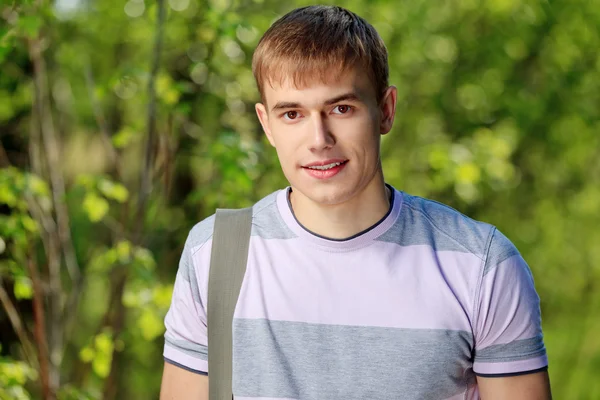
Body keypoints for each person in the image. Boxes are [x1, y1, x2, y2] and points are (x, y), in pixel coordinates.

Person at [160, 5, 551, 399]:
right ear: (267, 125)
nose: (319, 139)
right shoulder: (215, 254)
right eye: (292, 113)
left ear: (385, 110)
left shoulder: (482, 266)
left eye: (341, 108)